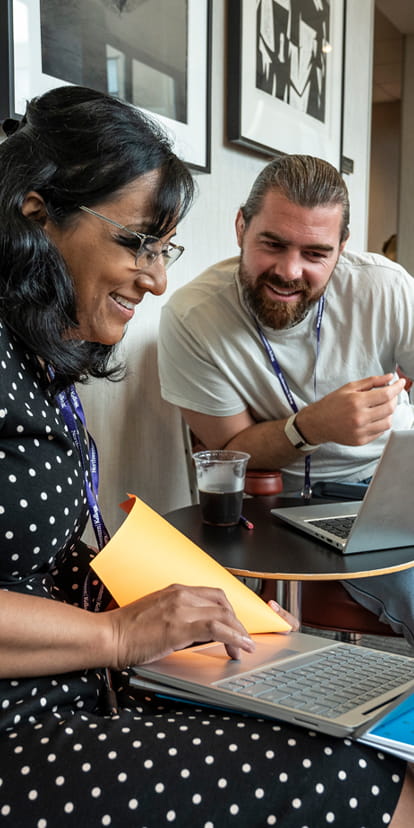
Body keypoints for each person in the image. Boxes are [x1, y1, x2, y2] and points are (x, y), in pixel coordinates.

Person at [0, 89, 412, 828]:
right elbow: (226, 449)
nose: (155, 279)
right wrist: (119, 635)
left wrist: (137, 604)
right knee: (367, 771)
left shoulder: (40, 357)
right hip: (36, 706)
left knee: (354, 719)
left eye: (162, 250)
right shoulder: (194, 314)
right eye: (135, 243)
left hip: (75, 667)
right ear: (37, 214)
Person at [158, 153, 414, 647]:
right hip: (287, 507)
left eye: (316, 254)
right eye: (272, 244)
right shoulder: (192, 317)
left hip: (395, 489)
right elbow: (228, 450)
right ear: (241, 227)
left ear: (341, 250)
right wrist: (312, 427)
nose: (289, 271)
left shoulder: (385, 287)